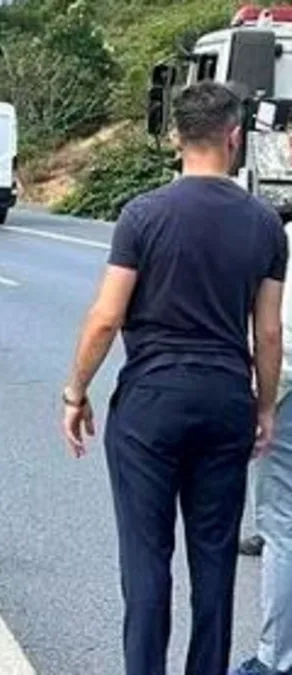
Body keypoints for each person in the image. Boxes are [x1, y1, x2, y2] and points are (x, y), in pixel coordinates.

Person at [60, 80, 287, 675]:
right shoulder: (265, 225)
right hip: (224, 404)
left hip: (150, 406)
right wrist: (264, 409)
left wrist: (76, 391)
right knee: (213, 561)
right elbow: (267, 334)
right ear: (234, 138)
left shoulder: (144, 215)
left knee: (146, 560)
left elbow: (107, 317)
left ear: (176, 138)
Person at [234, 218, 292, 675]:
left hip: (290, 390)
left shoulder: (285, 236)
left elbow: (274, 333)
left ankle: (276, 659)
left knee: (282, 523)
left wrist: (264, 401)